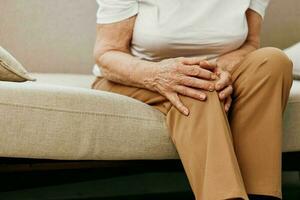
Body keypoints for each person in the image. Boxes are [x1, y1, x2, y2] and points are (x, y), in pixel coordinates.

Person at [91, 0, 293, 199]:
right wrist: (160, 74)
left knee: (272, 62)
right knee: (196, 89)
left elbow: (251, 43)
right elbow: (108, 53)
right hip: (137, 76)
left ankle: (260, 194)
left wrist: (217, 69)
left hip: (215, 70)